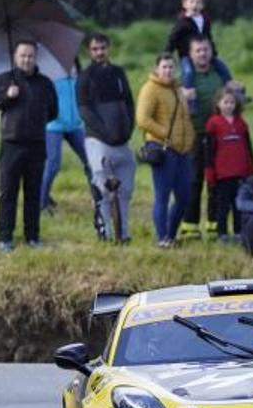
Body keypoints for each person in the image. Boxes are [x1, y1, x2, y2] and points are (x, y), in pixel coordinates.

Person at [0, 40, 58, 252]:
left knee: (33, 193)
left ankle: (32, 236)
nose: (27, 59)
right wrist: (7, 96)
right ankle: (5, 236)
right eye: (23, 55)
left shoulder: (45, 83)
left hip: (36, 144)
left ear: (36, 58)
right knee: (8, 193)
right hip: (11, 144)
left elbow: (53, 112)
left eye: (30, 56)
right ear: (16, 57)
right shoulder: (5, 79)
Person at [77, 32, 136, 243]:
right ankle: (105, 231)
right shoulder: (85, 77)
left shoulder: (119, 73)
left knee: (125, 190)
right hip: (98, 141)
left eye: (102, 48)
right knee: (102, 189)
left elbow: (129, 102)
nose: (100, 52)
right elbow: (85, 111)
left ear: (108, 48)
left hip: (122, 141)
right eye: (95, 49)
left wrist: (129, 127)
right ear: (89, 51)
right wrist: (105, 132)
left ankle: (124, 233)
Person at [136, 53, 196, 248]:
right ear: (157, 69)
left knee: (185, 195)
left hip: (183, 149)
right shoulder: (150, 89)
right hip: (164, 148)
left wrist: (190, 139)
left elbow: (185, 117)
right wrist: (165, 134)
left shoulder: (177, 89)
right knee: (162, 194)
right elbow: (143, 119)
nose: (168, 71)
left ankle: (170, 234)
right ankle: (162, 237)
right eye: (164, 67)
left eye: (171, 67)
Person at [178, 35, 233, 241]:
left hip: (217, 136)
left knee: (216, 180)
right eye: (198, 50)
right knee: (193, 180)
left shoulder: (218, 74)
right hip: (193, 134)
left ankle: (214, 224)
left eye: (206, 50)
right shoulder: (184, 78)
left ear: (211, 52)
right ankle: (189, 225)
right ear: (191, 55)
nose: (203, 54)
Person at [164, 0, 231, 114]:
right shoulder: (182, 22)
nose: (195, 5)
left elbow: (209, 37)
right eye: (192, 2)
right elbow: (172, 39)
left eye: (198, 2)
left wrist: (214, 52)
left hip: (205, 52)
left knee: (222, 67)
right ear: (185, 4)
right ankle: (191, 102)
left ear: (203, 5)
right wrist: (167, 54)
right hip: (186, 54)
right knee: (188, 72)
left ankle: (232, 92)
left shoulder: (204, 20)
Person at [40, 62, 91, 218]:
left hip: (76, 126)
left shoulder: (80, 80)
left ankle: (98, 196)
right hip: (54, 126)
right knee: (53, 164)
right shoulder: (51, 79)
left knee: (91, 160)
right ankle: (41, 202)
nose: (70, 69)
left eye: (73, 66)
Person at [205, 86, 253, 241]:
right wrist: (209, 171)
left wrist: (251, 168)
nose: (229, 105)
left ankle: (239, 233)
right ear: (218, 104)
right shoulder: (213, 123)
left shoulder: (241, 124)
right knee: (222, 205)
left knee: (239, 204)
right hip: (222, 173)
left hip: (241, 172)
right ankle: (222, 234)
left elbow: (248, 147)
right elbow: (209, 150)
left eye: (232, 102)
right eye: (225, 102)